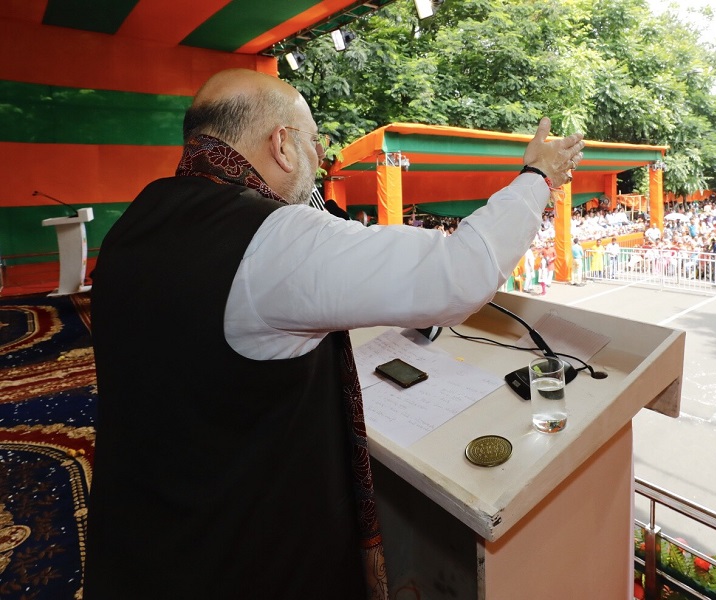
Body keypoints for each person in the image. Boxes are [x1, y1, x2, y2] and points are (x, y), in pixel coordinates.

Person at [85, 69, 584, 600]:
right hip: (244, 555)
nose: (321, 160)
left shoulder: (136, 220)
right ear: (282, 144)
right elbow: (459, 273)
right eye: (314, 141)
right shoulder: (272, 236)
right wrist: (537, 177)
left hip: (143, 536)